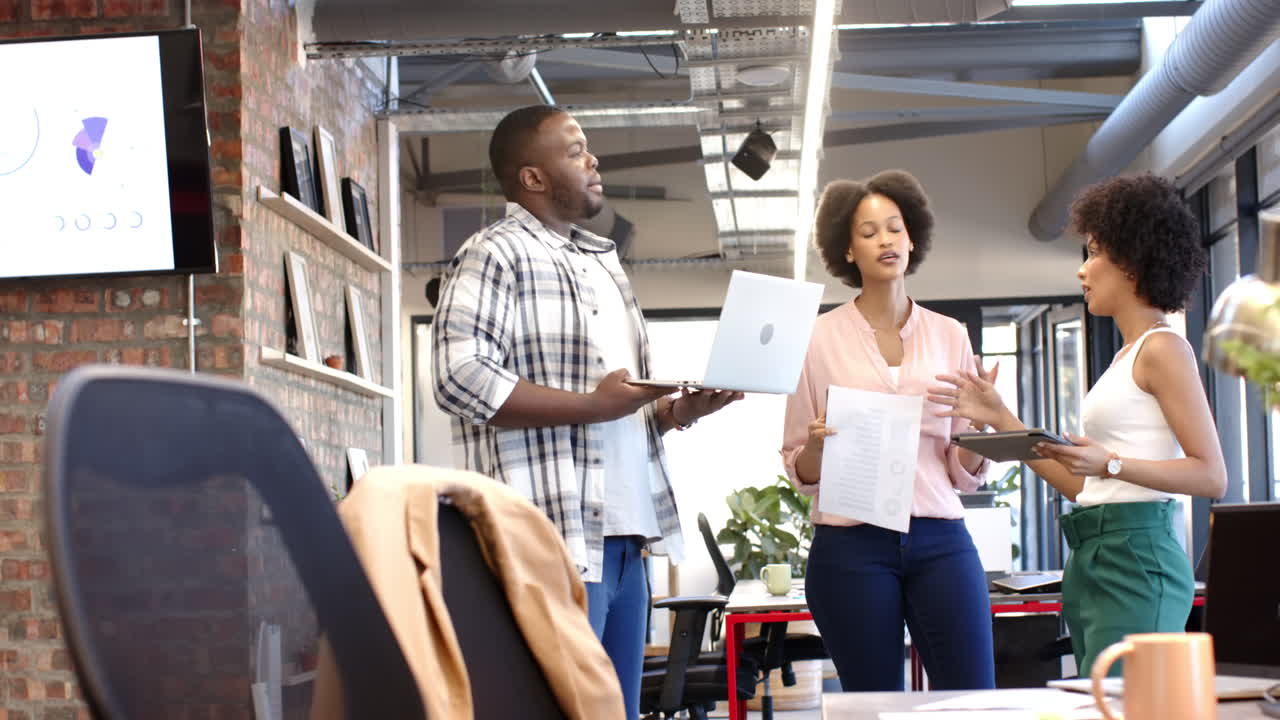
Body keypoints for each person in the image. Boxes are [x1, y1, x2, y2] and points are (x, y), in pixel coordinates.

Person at [431, 104, 742, 719]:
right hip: (552, 537)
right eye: (575, 150)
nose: (593, 159)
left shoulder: (604, 263)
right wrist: (592, 406)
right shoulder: (494, 253)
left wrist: (677, 414)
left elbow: (614, 414)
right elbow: (458, 376)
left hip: (628, 539)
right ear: (533, 178)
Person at [928, 173, 1228, 677]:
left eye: (1092, 254)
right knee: (1101, 704)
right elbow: (1086, 488)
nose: (1083, 271)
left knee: (1125, 705)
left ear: (1130, 262)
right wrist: (1002, 418)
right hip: (1093, 549)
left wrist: (1109, 462)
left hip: (1137, 557)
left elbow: (1211, 475)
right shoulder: (1123, 359)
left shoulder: (1165, 349)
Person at [781, 169, 997, 691]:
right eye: (869, 231)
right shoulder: (813, 339)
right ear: (847, 250)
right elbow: (799, 469)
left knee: (973, 698)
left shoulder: (950, 334)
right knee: (873, 705)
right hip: (851, 546)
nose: (886, 240)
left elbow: (961, 471)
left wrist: (983, 423)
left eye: (895, 228)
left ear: (912, 237)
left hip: (939, 537)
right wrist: (814, 446)